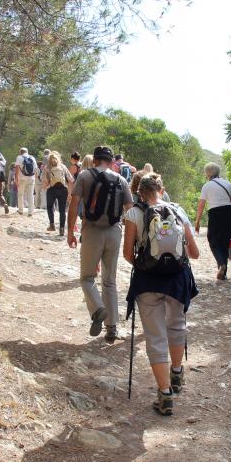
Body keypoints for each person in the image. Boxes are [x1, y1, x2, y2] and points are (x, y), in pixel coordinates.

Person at [124, 173, 199, 415]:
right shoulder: (177, 210)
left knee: (155, 337)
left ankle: (165, 395)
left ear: (139, 192)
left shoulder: (134, 213)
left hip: (148, 281)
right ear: (161, 189)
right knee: (176, 327)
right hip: (177, 279)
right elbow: (194, 253)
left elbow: (127, 254)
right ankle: (176, 373)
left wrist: (145, 263)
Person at [67, 145, 133, 342]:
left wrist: (70, 231)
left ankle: (97, 309)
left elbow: (74, 203)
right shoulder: (121, 180)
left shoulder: (85, 175)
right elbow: (130, 209)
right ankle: (111, 327)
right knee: (109, 281)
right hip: (114, 233)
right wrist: (130, 238)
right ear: (112, 162)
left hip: (92, 231)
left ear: (95, 160)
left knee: (87, 278)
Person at [194, 162, 231, 280]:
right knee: (225, 242)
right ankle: (223, 272)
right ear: (218, 172)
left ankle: (221, 265)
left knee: (213, 242)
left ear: (207, 173)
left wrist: (197, 221)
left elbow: (201, 205)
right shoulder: (227, 183)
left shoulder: (206, 186)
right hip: (228, 212)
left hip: (215, 214)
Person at [43, 151, 73, 236]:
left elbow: (46, 181)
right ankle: (62, 229)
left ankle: (52, 225)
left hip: (52, 189)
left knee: (49, 207)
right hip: (63, 190)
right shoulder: (63, 167)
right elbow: (71, 180)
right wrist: (70, 193)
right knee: (62, 210)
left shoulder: (47, 167)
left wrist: (44, 186)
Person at [16, 147, 37, 216]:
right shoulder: (32, 157)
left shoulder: (19, 157)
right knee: (30, 195)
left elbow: (17, 169)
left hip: (22, 179)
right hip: (31, 178)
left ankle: (20, 210)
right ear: (27, 152)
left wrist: (16, 179)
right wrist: (35, 178)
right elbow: (36, 169)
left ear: (20, 152)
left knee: (20, 194)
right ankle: (31, 212)